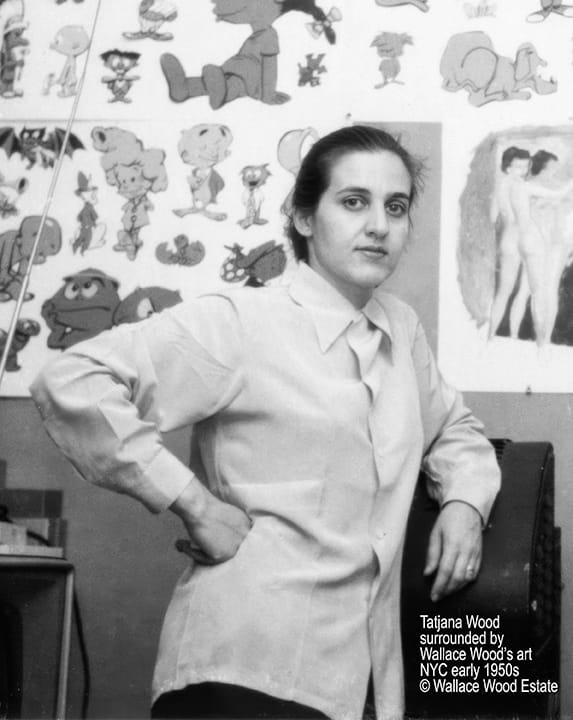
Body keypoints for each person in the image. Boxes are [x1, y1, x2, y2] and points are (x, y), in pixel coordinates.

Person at [30, 125, 500, 720]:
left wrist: (465, 504)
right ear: (303, 218)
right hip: (242, 671)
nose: (379, 225)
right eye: (353, 201)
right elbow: (71, 380)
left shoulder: (400, 329)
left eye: (396, 206)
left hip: (355, 683)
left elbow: (455, 430)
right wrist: (194, 504)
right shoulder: (242, 321)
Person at [489, 145, 573, 346]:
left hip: (508, 238)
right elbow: (559, 194)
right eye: (519, 167)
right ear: (508, 167)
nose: (523, 171)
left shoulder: (499, 188)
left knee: (504, 292)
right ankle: (541, 345)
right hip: (528, 237)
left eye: (525, 167)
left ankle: (491, 338)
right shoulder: (523, 186)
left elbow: (492, 218)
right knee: (537, 292)